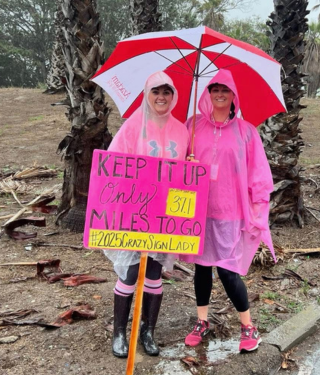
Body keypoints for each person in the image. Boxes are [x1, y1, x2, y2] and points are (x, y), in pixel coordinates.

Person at [180, 69, 276, 353]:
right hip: (198, 209)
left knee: (228, 271)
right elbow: (174, 163)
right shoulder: (192, 125)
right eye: (214, 88)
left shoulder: (247, 132)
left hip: (231, 211)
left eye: (225, 89)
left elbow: (258, 173)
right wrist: (188, 160)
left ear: (234, 94)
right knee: (201, 267)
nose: (219, 93)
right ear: (207, 93)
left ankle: (248, 327)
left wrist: (258, 209)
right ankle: (202, 321)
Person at [105, 71, 189, 358]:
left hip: (166, 213)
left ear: (173, 95)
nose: (161, 97)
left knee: (155, 272)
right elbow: (113, 163)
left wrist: (191, 167)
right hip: (135, 210)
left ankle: (147, 331)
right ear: (147, 94)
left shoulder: (182, 130)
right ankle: (119, 332)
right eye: (156, 91)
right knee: (130, 273)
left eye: (167, 91)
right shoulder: (132, 127)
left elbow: (186, 174)